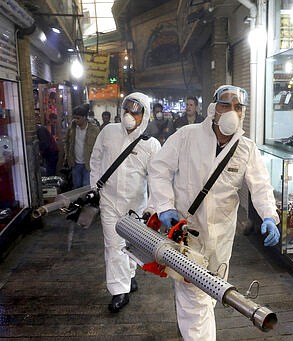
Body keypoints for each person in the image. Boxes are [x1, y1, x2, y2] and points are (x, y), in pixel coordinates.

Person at [148, 85, 280, 340]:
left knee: (210, 290)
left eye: (238, 107)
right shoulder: (186, 136)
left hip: (221, 237)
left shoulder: (246, 149)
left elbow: (261, 186)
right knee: (193, 296)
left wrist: (269, 216)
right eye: (225, 105)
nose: (232, 111)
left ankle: (188, 324)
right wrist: (164, 206)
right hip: (185, 231)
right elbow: (159, 168)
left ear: (243, 114)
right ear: (213, 109)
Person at [89, 92, 161, 313]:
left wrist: (153, 206)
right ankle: (119, 291)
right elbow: (96, 159)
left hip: (136, 206)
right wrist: (95, 188)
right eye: (126, 109)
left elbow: (157, 179)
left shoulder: (152, 146)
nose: (129, 115)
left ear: (144, 115)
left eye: (135, 111)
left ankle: (129, 276)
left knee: (131, 245)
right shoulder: (108, 132)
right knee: (114, 245)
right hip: (109, 201)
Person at [63, 105, 100, 189]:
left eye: (78, 118)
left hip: (88, 163)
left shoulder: (94, 129)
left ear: (84, 117)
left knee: (86, 187)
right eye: (74, 118)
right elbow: (66, 142)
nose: (75, 120)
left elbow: (99, 147)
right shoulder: (72, 128)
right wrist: (67, 155)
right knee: (77, 186)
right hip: (75, 163)